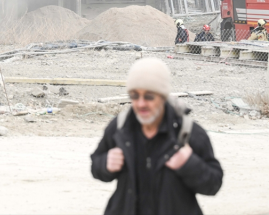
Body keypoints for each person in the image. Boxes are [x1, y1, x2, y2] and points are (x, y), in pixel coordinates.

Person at [90, 58, 223, 215]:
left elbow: (213, 184)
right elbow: (96, 165)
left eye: (149, 96)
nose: (140, 104)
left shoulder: (188, 133)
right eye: (134, 96)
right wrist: (105, 163)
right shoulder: (120, 127)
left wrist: (189, 164)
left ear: (163, 96)